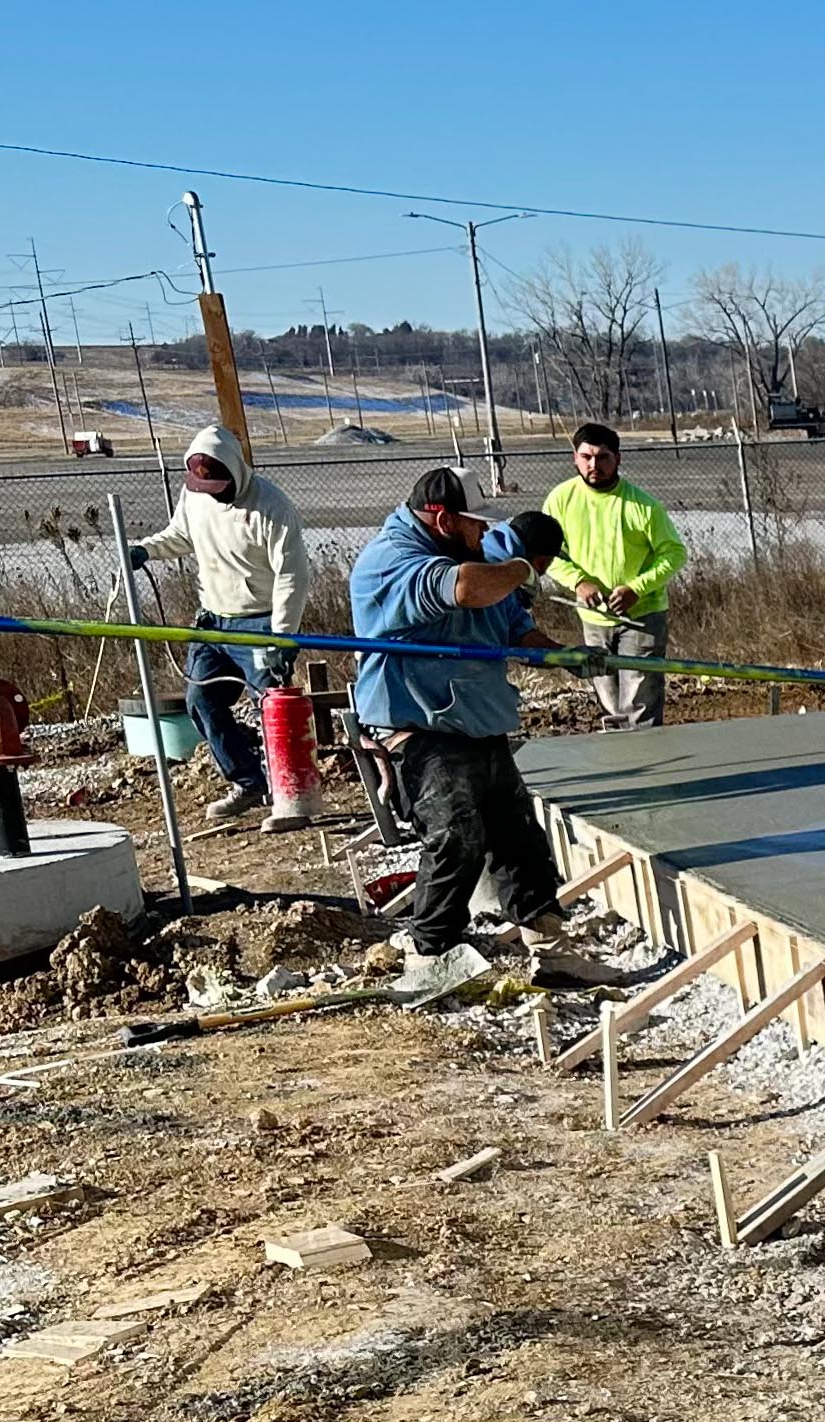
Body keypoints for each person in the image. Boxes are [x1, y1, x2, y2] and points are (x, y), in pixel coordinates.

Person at [347, 468, 571, 999]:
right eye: (474, 525)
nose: (482, 535)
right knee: (455, 837)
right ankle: (432, 955)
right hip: (420, 724)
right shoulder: (390, 562)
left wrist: (560, 654)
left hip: (477, 719)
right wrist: (520, 567)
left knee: (518, 838)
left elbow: (511, 626)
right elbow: (468, 590)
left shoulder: (467, 556)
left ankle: (550, 947)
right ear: (444, 519)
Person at [124, 424, 312, 822]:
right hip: (212, 623)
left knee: (273, 709)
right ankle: (249, 783)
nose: (210, 493)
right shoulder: (195, 495)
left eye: (217, 485)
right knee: (201, 702)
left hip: (260, 625)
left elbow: (292, 576)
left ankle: (291, 797)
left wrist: (283, 638)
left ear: (235, 471)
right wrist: (146, 550)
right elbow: (181, 534)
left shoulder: (272, 507)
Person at [541, 420, 688, 727]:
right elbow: (545, 552)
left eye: (603, 457)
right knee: (609, 704)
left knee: (640, 705)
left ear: (617, 459)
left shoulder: (642, 505)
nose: (594, 465)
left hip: (642, 618)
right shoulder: (560, 500)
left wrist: (637, 588)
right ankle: (622, 763)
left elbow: (674, 552)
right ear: (575, 458)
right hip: (593, 620)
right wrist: (578, 582)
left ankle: (653, 767)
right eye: (586, 457)